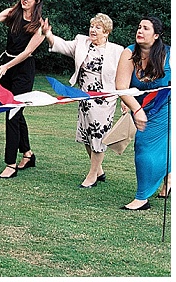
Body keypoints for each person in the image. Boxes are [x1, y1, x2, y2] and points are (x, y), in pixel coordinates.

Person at [43, 14, 124, 188]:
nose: (93, 30)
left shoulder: (117, 51)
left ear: (106, 32)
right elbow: (62, 45)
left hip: (105, 99)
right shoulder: (82, 42)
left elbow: (124, 75)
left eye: (98, 28)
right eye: (92, 26)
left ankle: (92, 175)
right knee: (87, 136)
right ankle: (99, 170)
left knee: (98, 136)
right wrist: (48, 34)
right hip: (84, 98)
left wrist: (125, 97)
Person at [0, 0, 46, 178]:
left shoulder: (40, 26)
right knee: (16, 112)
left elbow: (27, 52)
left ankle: (10, 164)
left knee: (12, 113)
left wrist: (6, 67)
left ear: (36, 0)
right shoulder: (13, 13)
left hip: (23, 71)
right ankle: (28, 154)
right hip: (8, 68)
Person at [115, 16, 170, 211]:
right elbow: (120, 87)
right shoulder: (128, 53)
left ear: (155, 35)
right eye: (139, 27)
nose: (140, 30)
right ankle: (169, 177)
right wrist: (136, 109)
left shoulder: (169, 55)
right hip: (141, 108)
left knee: (148, 148)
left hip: (166, 108)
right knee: (144, 145)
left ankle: (142, 197)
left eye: (146, 28)